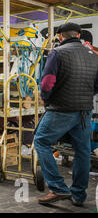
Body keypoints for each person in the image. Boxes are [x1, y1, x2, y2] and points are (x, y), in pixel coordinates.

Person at [34, 22, 98, 207]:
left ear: (60, 37)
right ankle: (78, 195)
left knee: (41, 141)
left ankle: (58, 187)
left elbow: (47, 83)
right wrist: (86, 96)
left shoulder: (58, 52)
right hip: (85, 110)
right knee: (83, 151)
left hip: (61, 109)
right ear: (79, 35)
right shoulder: (93, 55)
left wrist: (46, 98)